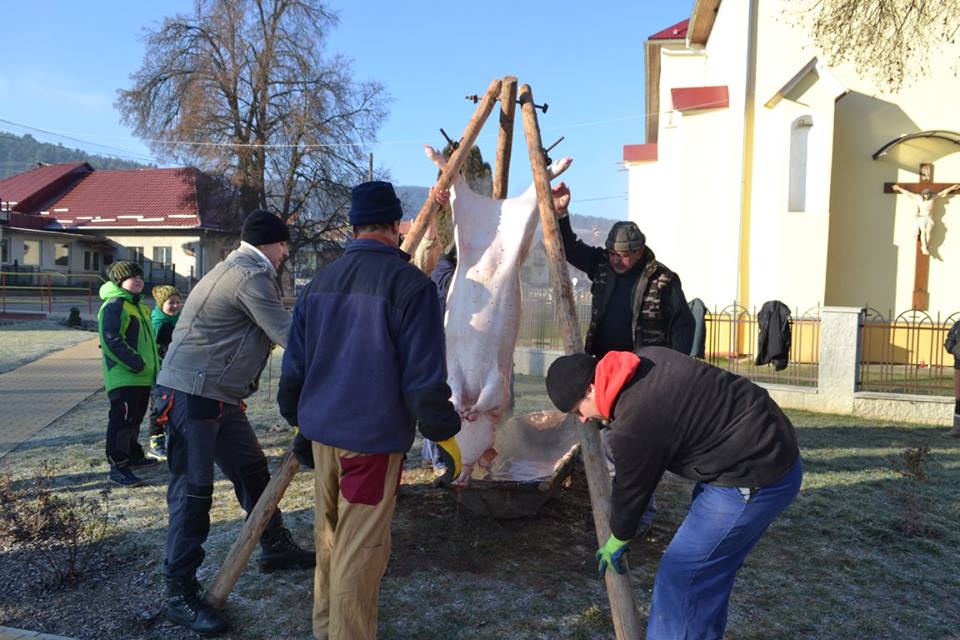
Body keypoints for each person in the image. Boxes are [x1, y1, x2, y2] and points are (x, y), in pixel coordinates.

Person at [278, 181, 462, 640]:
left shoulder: (320, 281)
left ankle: (326, 629)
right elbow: (423, 379)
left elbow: (294, 366)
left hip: (322, 436)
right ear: (396, 225)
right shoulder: (411, 286)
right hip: (371, 444)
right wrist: (443, 429)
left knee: (329, 539)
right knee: (360, 552)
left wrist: (299, 418)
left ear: (353, 226)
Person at [545, 348, 802, 640]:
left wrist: (619, 535)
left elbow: (632, 489)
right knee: (707, 576)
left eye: (578, 411)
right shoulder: (644, 360)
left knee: (684, 576)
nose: (582, 420)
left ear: (591, 389)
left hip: (755, 471)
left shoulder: (635, 422)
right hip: (764, 443)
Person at [155, 209, 314, 635]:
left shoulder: (241, 270)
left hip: (218, 394)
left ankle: (274, 544)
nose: (285, 253)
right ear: (267, 244)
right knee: (193, 492)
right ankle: (179, 592)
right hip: (193, 394)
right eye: (282, 245)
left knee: (251, 471)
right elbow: (290, 337)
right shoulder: (249, 276)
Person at [552, 182, 696, 532]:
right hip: (603, 371)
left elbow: (684, 325)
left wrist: (676, 370)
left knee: (633, 448)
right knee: (608, 443)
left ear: (640, 251)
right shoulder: (602, 265)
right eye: (613, 254)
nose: (617, 260)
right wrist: (562, 214)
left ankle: (637, 516)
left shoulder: (663, 280)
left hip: (643, 374)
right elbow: (570, 248)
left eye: (624, 256)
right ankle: (608, 502)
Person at [97, 260, 161, 487]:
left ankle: (133, 455)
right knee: (122, 421)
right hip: (125, 376)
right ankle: (118, 466)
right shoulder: (115, 305)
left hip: (142, 376)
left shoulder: (139, 306)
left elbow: (149, 343)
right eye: (133, 277)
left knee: (135, 418)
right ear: (119, 281)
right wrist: (136, 363)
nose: (139, 280)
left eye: (140, 276)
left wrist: (156, 365)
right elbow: (111, 340)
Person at [146, 284, 183, 459]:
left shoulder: (181, 320)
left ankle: (174, 440)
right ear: (161, 304)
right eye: (171, 303)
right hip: (160, 372)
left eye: (178, 302)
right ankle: (156, 443)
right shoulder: (156, 322)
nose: (175, 306)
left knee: (175, 406)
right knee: (158, 407)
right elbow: (152, 347)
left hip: (178, 371)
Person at [891, 183, 960, 255]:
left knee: (929, 232)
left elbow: (942, 192)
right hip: (922, 217)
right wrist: (898, 188)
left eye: (928, 194)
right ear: (923, 194)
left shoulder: (933, 198)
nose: (926, 196)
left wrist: (952, 188)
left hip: (929, 218)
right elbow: (908, 193)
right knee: (923, 231)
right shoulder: (918, 198)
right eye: (925, 194)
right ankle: (924, 247)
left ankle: (926, 247)